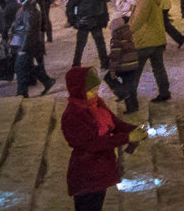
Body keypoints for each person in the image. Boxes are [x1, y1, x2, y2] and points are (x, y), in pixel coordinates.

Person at [61, 66, 149, 211]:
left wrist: (132, 129)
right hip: (86, 174)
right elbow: (92, 144)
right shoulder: (72, 115)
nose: (95, 93)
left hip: (101, 169)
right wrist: (127, 137)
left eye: (97, 89)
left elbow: (114, 123)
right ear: (78, 91)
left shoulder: (96, 104)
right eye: (91, 91)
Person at [128, 0, 170, 104]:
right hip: (157, 40)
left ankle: (131, 99)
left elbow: (139, 20)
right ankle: (164, 93)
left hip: (145, 42)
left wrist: (127, 32)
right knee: (158, 68)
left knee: (136, 70)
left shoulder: (146, 0)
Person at [10, 0, 54, 97]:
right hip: (23, 43)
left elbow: (29, 32)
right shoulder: (24, 9)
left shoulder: (30, 12)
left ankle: (22, 93)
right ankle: (47, 81)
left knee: (20, 68)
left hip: (26, 45)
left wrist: (23, 49)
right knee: (27, 66)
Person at [66, 0, 110, 69]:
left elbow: (104, 6)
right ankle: (76, 64)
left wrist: (105, 19)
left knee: (101, 44)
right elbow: (70, 5)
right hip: (83, 22)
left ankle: (105, 63)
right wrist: (72, 20)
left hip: (96, 22)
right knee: (80, 45)